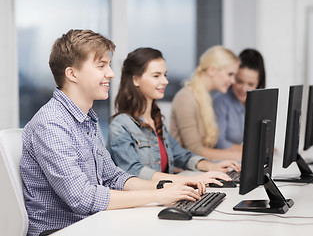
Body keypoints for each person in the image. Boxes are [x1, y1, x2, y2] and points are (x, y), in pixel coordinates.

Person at [19, 30, 206, 236]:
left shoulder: (87, 118)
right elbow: (83, 198)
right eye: (101, 66)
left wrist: (167, 187)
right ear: (72, 74)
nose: (111, 73)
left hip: (93, 223)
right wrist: (158, 195)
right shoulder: (51, 124)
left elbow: (113, 177)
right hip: (64, 230)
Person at [108, 47, 240, 186]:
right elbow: (134, 171)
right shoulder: (121, 125)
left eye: (165, 75)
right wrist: (189, 180)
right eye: (156, 75)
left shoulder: (156, 120)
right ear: (135, 80)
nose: (165, 81)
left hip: (164, 197)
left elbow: (181, 155)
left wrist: (211, 167)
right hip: (143, 203)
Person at [170, 45, 242, 161]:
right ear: (212, 70)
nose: (233, 81)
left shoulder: (205, 98)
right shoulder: (185, 98)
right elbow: (195, 150)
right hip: (184, 172)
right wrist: (242, 156)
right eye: (230, 74)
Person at [212, 49, 266, 149]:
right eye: (239, 81)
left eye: (250, 84)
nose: (244, 89)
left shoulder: (254, 103)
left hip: (235, 159)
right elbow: (219, 143)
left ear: (258, 84)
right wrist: (252, 150)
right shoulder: (220, 102)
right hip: (221, 160)